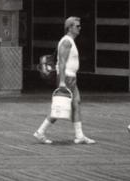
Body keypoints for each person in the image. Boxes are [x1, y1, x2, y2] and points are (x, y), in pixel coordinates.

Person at [33, 16, 95, 145]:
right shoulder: (66, 42)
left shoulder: (70, 41)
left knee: (76, 103)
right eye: (77, 26)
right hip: (66, 77)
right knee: (60, 108)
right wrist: (61, 81)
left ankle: (79, 135)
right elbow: (61, 62)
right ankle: (41, 131)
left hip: (71, 77)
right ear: (70, 27)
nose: (79, 28)